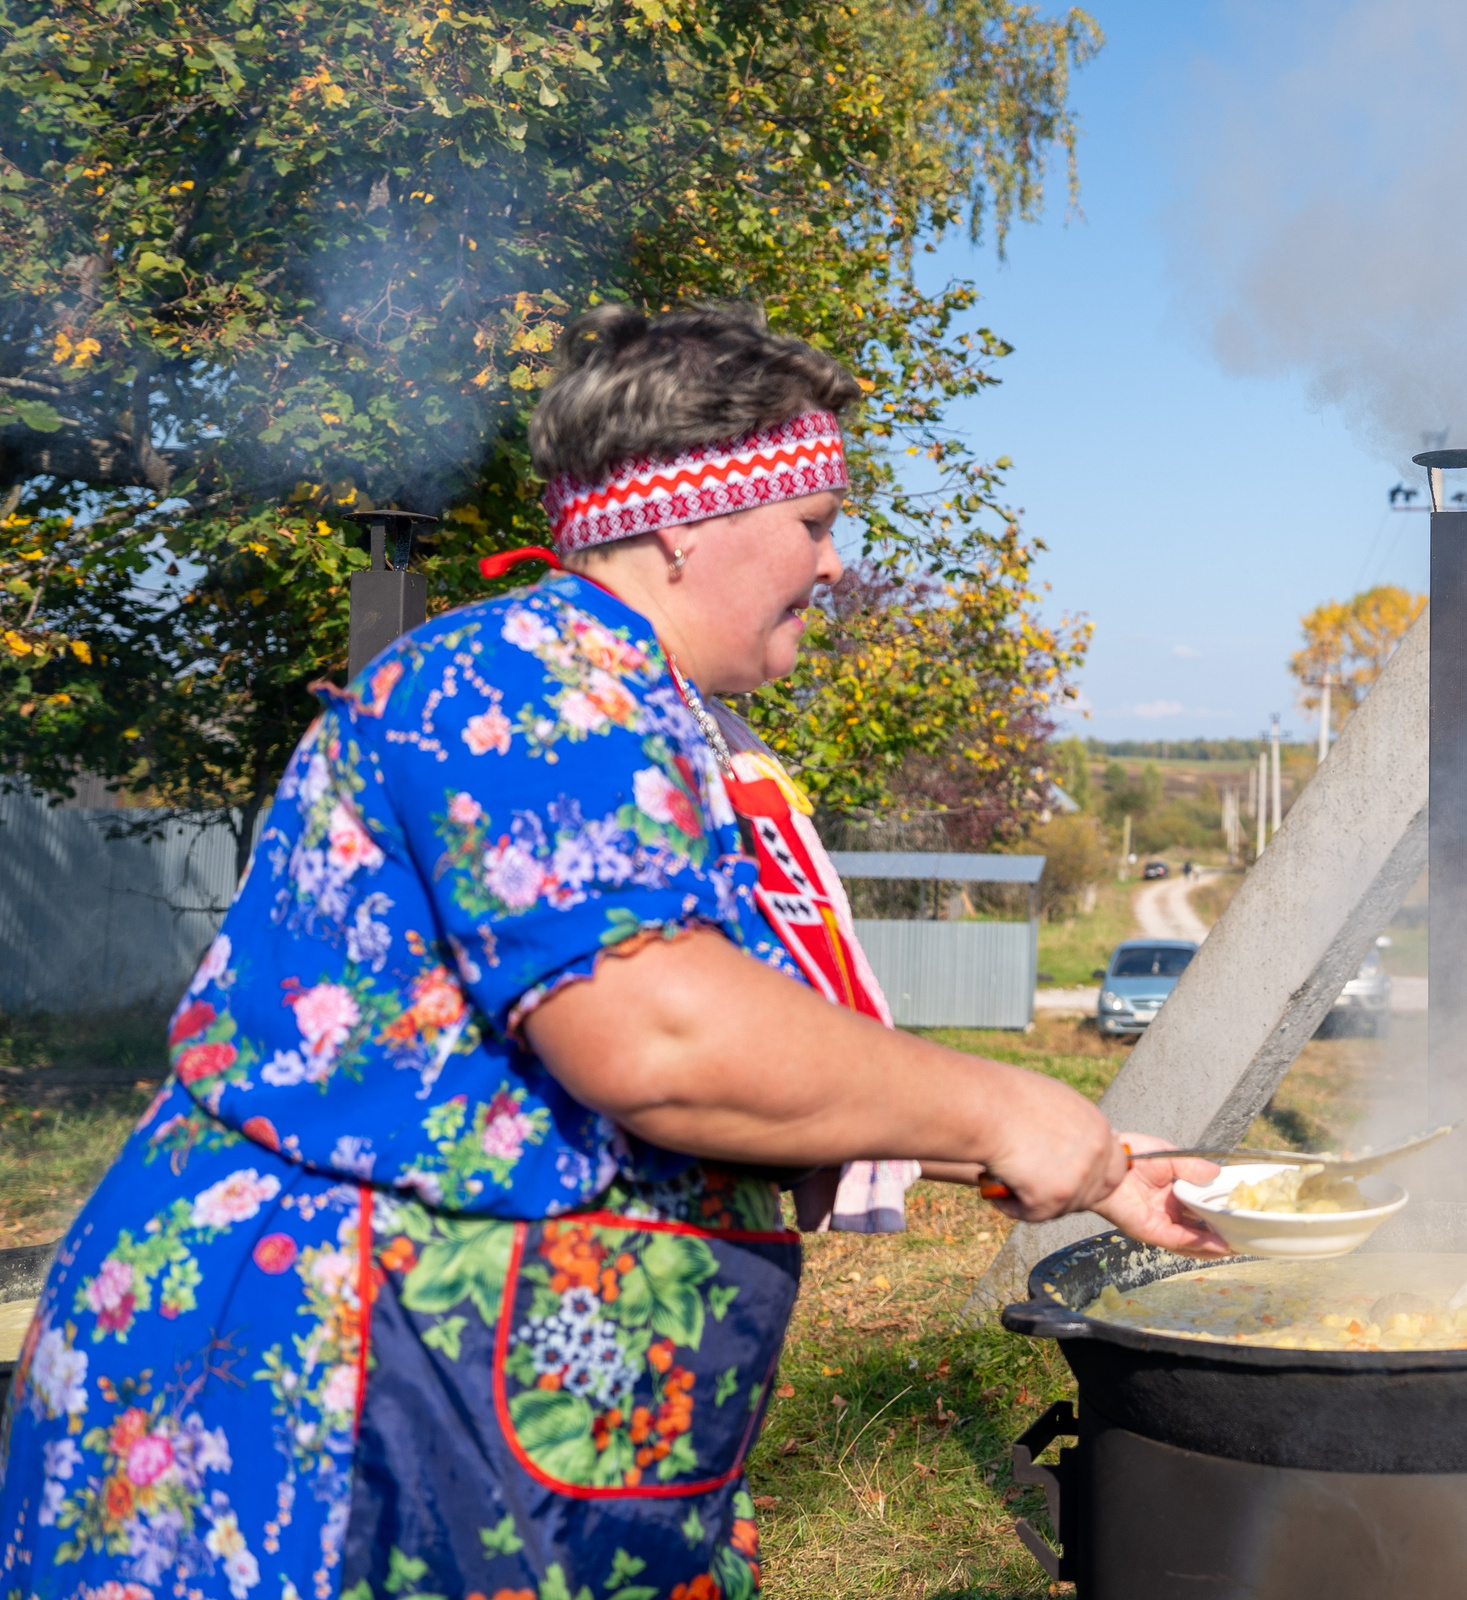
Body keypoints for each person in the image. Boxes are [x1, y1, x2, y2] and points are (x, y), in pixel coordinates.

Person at [0, 305, 1220, 1600]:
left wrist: (1091, 1164)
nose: (836, 566)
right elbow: (659, 1035)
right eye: (815, 524)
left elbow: (736, 1055)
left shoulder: (634, 713)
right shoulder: (523, 685)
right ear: (688, 521)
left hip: (480, 1414)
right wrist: (1000, 1099)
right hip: (323, 1416)